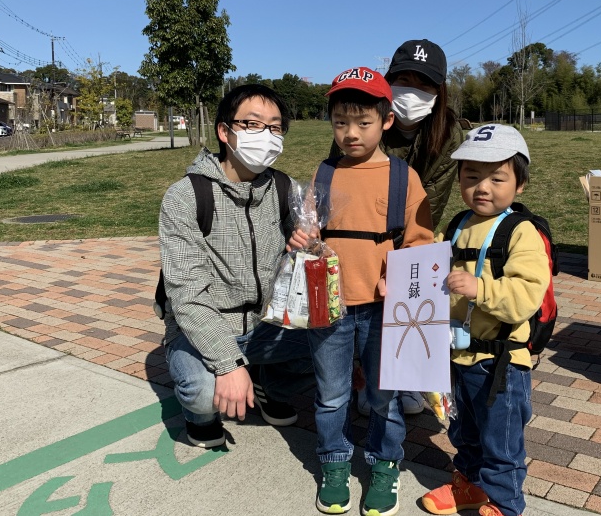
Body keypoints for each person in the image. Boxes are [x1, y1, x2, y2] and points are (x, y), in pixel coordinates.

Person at [290, 67, 434, 516]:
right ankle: (334, 460)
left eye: (363, 123)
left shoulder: (402, 177)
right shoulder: (326, 172)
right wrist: (302, 239)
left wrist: (401, 277)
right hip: (329, 306)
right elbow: (310, 229)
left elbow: (421, 242)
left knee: (384, 396)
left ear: (387, 121)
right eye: (340, 122)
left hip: (383, 309)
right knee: (331, 394)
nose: (350, 133)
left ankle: (385, 462)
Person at [159, 84, 314, 448]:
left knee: (334, 348)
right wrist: (228, 363)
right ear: (224, 131)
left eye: (275, 127)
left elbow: (304, 253)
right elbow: (187, 294)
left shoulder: (284, 188)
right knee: (203, 391)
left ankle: (268, 384)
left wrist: (308, 241)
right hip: (205, 326)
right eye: (253, 124)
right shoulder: (186, 196)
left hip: (266, 323)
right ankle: (201, 416)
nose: (267, 135)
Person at [420, 124, 551, 516]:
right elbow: (431, 270)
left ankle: (505, 504)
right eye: (472, 176)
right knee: (465, 431)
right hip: (459, 356)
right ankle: (470, 485)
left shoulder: (520, 232)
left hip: (500, 362)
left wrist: (481, 288)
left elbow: (527, 295)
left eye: (497, 178)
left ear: (520, 184)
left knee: (501, 440)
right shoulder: (458, 224)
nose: (482, 187)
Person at [345, 39, 466, 416]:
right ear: (388, 81)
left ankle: (411, 376)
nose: (413, 92)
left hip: (415, 227)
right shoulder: (367, 121)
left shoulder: (449, 134)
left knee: (415, 288)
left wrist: (403, 259)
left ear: (439, 91)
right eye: (404, 81)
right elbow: (347, 187)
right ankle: (364, 375)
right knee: (362, 301)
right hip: (363, 230)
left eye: (424, 84)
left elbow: (429, 206)